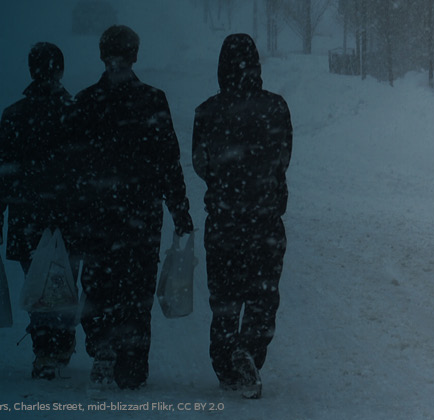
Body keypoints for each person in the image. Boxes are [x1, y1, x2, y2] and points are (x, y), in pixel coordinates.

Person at [66, 25, 194, 390]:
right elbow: (168, 161)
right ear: (134, 56)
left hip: (98, 215)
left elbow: (72, 166)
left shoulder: (86, 101)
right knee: (135, 290)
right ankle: (130, 359)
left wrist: (69, 211)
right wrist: (179, 210)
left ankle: (104, 347)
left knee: (99, 283)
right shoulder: (153, 100)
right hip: (140, 215)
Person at [192, 33, 292, 399]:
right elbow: (284, 157)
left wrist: (227, 179)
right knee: (263, 294)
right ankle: (248, 349)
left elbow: (200, 165)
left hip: (224, 220)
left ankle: (226, 362)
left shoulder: (206, 112)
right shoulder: (276, 107)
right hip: (265, 218)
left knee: (225, 297)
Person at [0, 42, 77, 380]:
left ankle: (45, 349)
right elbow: (86, 167)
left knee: (37, 284)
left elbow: (3, 170)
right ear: (60, 70)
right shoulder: (74, 112)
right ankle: (62, 341)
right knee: (64, 282)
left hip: (28, 215)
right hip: (69, 215)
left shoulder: (15, 115)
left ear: (31, 71)